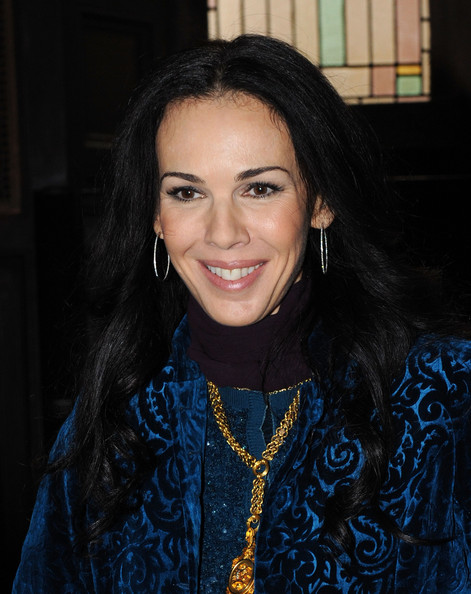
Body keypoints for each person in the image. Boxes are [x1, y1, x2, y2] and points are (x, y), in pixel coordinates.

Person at [13, 34, 471, 593]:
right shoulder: (115, 413)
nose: (223, 233)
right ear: (155, 216)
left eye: (259, 188)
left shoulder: (441, 399)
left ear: (321, 201)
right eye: (187, 193)